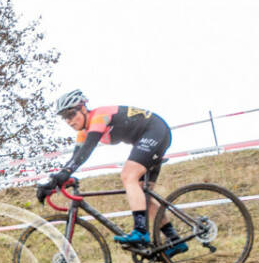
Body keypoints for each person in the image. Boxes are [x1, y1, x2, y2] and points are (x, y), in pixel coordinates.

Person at [38, 90, 185, 252]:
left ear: (83, 108)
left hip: (155, 131)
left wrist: (63, 175)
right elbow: (75, 159)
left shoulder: (99, 116)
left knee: (128, 176)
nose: (69, 121)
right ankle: (175, 239)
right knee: (144, 196)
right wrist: (56, 181)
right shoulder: (83, 132)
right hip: (148, 138)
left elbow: (87, 150)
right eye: (65, 118)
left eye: (71, 114)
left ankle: (141, 232)